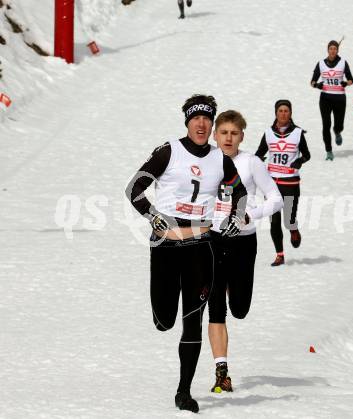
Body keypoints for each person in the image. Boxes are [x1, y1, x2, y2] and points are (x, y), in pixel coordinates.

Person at [125, 95, 247, 413]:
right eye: (196, 119)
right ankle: (162, 317)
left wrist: (236, 217)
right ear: (188, 122)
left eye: (207, 119)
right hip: (166, 244)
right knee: (165, 321)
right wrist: (152, 215)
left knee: (192, 322)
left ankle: (183, 392)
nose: (202, 124)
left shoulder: (220, 159)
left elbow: (241, 192)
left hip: (201, 245)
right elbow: (134, 188)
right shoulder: (169, 151)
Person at [208, 110, 283, 393]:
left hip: (243, 242)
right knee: (215, 308)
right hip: (212, 240)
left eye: (234, 133)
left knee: (239, 308)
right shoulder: (206, 162)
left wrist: (250, 214)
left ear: (242, 136)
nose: (228, 138)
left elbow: (276, 198)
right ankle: (221, 371)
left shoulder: (251, 163)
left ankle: (230, 287)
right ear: (215, 135)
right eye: (223, 132)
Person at [255, 99, 311, 266]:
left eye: (286, 111)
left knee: (288, 219)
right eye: (280, 111)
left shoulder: (298, 133)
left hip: (291, 182)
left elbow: (307, 155)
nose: (283, 113)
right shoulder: (268, 133)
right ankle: (280, 254)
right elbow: (259, 153)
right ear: (276, 113)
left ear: (290, 113)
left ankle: (293, 229)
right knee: (275, 220)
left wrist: (300, 161)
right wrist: (258, 159)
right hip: (271, 183)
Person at [310, 40, 353, 161]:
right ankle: (329, 151)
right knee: (326, 125)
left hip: (339, 97)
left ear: (338, 50)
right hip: (325, 98)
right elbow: (312, 81)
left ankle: (337, 131)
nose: (333, 51)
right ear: (327, 50)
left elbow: (351, 79)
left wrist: (346, 83)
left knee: (339, 124)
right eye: (331, 48)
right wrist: (316, 85)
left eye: (335, 48)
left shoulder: (343, 63)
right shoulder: (320, 64)